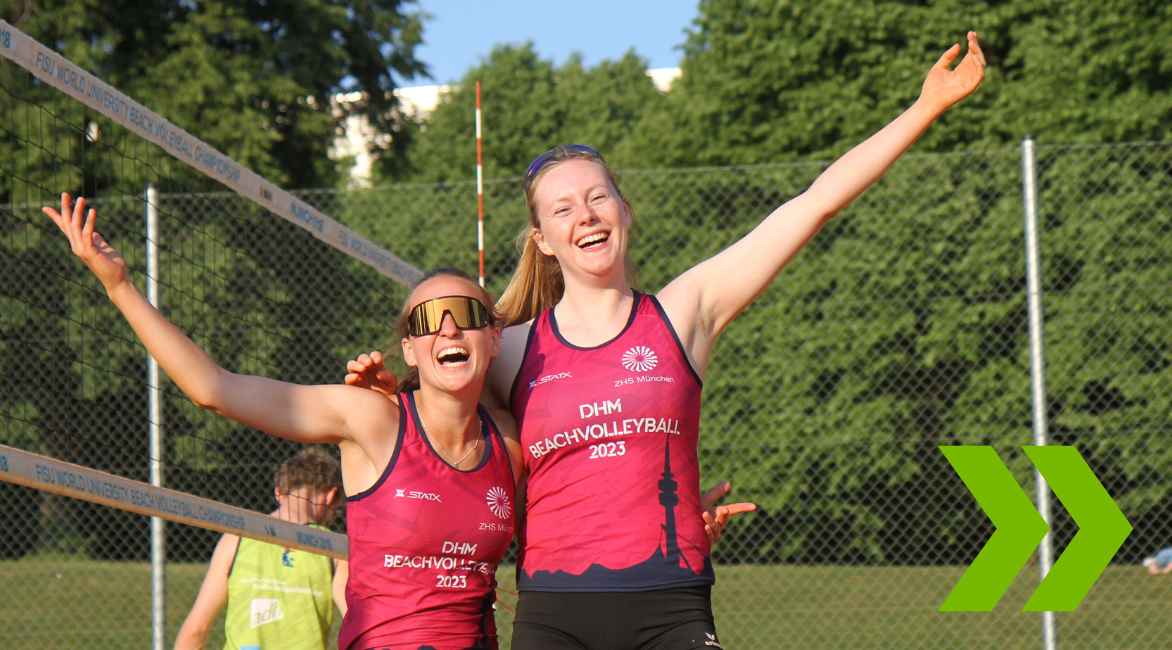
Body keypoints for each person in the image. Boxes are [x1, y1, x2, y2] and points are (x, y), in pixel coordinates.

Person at [345, 33, 987, 649]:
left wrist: (924, 107)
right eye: (562, 209)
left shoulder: (684, 313)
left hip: (671, 603)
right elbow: (434, 424)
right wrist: (390, 393)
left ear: (626, 211)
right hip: (554, 614)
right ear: (542, 238)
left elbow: (811, 204)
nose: (586, 215)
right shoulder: (509, 348)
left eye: (598, 198)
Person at [42, 193, 522, 650]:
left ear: (494, 338)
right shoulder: (373, 418)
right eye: (427, 320)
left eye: (464, 314)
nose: (448, 328)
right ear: (409, 349)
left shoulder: (508, 440)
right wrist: (119, 285)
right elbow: (214, 389)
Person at [174, 447, 345, 650]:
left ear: (279, 493)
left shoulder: (236, 538)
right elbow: (359, 624)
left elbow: (195, 631)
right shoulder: (335, 551)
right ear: (330, 495)